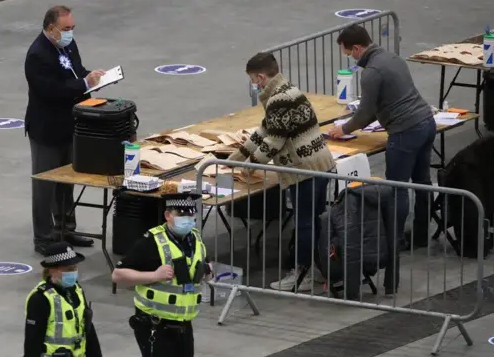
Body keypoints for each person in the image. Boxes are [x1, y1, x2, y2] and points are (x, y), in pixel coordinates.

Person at [228, 52, 336, 292]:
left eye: (253, 80)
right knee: (316, 220)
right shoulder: (287, 90)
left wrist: (250, 165)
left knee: (306, 223)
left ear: (261, 76)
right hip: (320, 163)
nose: (253, 85)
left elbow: (275, 140)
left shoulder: (278, 99)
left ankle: (302, 274)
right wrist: (237, 156)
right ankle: (317, 270)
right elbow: (265, 129)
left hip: (303, 169)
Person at [328, 25, 436, 248]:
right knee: (423, 183)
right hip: (426, 122)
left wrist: (344, 129)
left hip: (405, 132)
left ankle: (394, 241)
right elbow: (377, 109)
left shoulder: (371, 73)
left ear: (357, 48)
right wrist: (352, 124)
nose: (351, 59)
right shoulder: (393, 58)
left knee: (397, 189)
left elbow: (366, 112)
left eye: (349, 54)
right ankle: (421, 234)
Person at [25, 5, 107, 252]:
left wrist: (92, 78)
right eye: (66, 29)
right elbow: (50, 91)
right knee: (45, 186)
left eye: (72, 28)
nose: (71, 32)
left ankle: (65, 230)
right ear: (51, 29)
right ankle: (43, 237)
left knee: (66, 182)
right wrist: (83, 83)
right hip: (46, 130)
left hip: (70, 125)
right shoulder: (37, 55)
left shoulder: (68, 45)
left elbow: (76, 72)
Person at [111, 193, 212, 357]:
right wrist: (154, 276)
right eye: (180, 214)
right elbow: (118, 275)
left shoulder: (196, 239)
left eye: (190, 213)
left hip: (184, 322)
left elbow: (204, 271)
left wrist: (207, 273)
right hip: (155, 323)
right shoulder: (151, 241)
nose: (186, 218)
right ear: (167, 215)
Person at [24, 242, 102, 357]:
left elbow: (88, 330)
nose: (73, 272)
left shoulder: (77, 290)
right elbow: (32, 342)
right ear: (52, 270)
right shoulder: (40, 299)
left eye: (75, 267)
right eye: (68, 269)